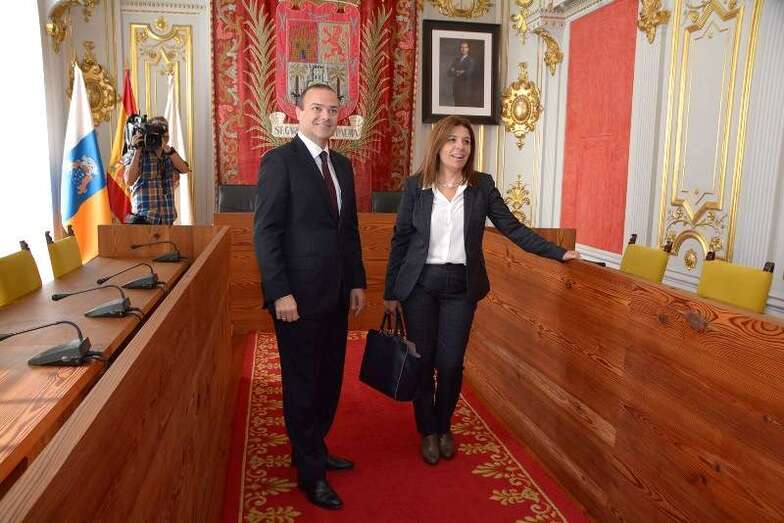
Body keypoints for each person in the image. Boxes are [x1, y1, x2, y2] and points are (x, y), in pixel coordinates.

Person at [383, 115, 580, 466]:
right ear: (438, 144)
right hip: (419, 286)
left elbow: (512, 228)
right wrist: (391, 292)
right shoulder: (416, 186)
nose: (460, 147)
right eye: (452, 139)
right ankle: (428, 430)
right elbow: (401, 239)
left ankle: (444, 426)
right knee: (423, 362)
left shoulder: (482, 186)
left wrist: (558, 252)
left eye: (466, 141)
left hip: (461, 286)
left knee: (450, 363)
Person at [253, 83, 367, 510]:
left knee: (329, 380)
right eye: (316, 108)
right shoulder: (279, 162)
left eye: (333, 110)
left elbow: (348, 231)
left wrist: (356, 281)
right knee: (302, 385)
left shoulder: (342, 165)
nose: (325, 116)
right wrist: (279, 291)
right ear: (297, 112)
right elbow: (266, 233)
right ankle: (311, 473)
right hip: (296, 299)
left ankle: (313, 447)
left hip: (335, 294)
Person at [122, 116, 189, 224]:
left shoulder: (170, 154)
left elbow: (184, 169)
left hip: (167, 219)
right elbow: (129, 180)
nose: (160, 139)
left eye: (165, 136)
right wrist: (137, 150)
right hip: (144, 219)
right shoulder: (138, 154)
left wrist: (166, 148)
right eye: (156, 136)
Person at [446, 41, 475, 107]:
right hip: (456, 88)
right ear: (460, 49)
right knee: (456, 106)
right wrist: (460, 72)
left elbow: (467, 73)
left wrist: (455, 71)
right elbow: (449, 73)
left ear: (468, 49)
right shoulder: (456, 60)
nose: (463, 49)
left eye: (465, 47)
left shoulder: (470, 60)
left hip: (465, 89)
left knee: (464, 107)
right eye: (462, 47)